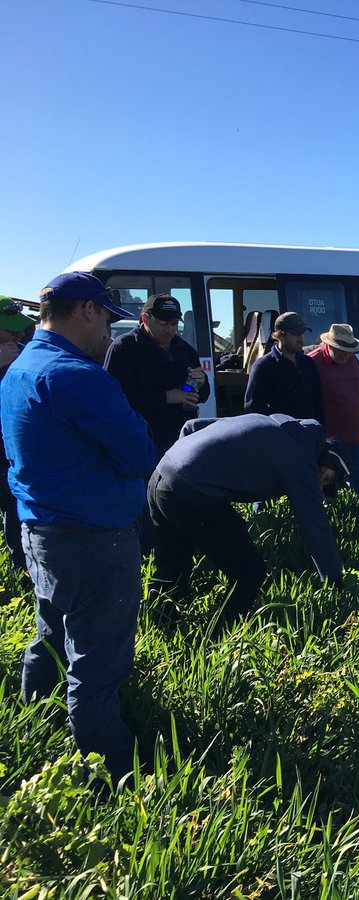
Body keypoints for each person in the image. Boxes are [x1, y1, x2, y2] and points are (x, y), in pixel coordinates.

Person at [1, 272, 159, 783]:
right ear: (87, 310)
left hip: (40, 529)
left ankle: (35, 723)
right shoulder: (78, 376)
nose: (109, 331)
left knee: (50, 634)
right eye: (107, 318)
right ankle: (111, 772)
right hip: (94, 536)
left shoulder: (22, 366)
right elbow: (139, 455)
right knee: (97, 664)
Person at [147, 414, 347, 622]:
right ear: (325, 456)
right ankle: (217, 634)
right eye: (326, 477)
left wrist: (183, 464)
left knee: (172, 569)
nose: (320, 484)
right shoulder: (300, 457)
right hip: (190, 491)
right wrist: (334, 582)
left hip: (161, 475)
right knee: (249, 573)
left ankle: (159, 624)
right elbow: (314, 523)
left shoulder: (269, 423)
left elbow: (192, 426)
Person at [104, 293, 209, 454]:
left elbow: (203, 395)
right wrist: (166, 397)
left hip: (182, 443)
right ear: (145, 318)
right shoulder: (123, 348)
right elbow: (112, 399)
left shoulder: (185, 350)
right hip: (141, 442)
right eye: (163, 323)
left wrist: (200, 384)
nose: (170, 330)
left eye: (174, 323)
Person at [307, 323, 359, 490]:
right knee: (327, 486)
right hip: (326, 440)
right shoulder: (312, 362)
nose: (345, 354)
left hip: (355, 436)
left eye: (349, 350)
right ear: (329, 345)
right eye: (341, 349)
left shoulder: (352, 359)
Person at [0, 296, 37, 570]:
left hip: (13, 452)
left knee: (16, 512)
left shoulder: (24, 351)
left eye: (21, 329)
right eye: (10, 330)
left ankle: (23, 574)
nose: (19, 335)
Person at [244, 311, 325, 424]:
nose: (301, 339)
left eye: (302, 333)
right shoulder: (263, 367)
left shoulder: (308, 363)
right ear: (280, 336)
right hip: (280, 433)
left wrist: (321, 429)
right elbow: (254, 409)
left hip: (310, 432)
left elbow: (318, 401)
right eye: (295, 334)